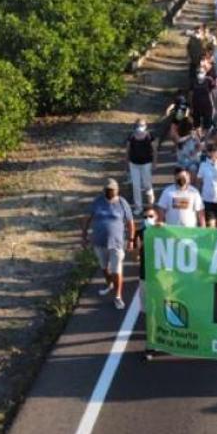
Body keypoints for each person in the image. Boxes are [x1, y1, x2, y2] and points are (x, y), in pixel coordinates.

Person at [81, 179, 134, 310]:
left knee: (117, 271)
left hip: (116, 243)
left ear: (117, 190)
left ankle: (117, 296)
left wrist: (131, 239)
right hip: (99, 242)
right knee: (104, 267)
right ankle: (109, 283)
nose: (111, 192)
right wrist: (84, 235)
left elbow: (130, 223)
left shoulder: (122, 203)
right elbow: (87, 219)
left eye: (113, 190)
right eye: (109, 190)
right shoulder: (97, 201)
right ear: (104, 190)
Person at [136, 206, 160, 360]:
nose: (147, 219)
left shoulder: (163, 232)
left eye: (150, 216)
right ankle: (152, 341)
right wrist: (140, 244)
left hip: (160, 279)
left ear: (157, 217)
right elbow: (135, 256)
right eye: (145, 216)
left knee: (158, 310)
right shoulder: (140, 233)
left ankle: (152, 344)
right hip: (145, 276)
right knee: (148, 312)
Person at [125, 120, 156, 213]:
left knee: (147, 185)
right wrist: (126, 163)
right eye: (138, 125)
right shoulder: (131, 136)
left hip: (146, 164)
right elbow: (127, 150)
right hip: (134, 164)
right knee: (136, 186)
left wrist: (154, 162)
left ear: (146, 126)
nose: (140, 127)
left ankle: (151, 205)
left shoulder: (149, 136)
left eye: (142, 125)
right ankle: (138, 207)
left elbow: (154, 150)